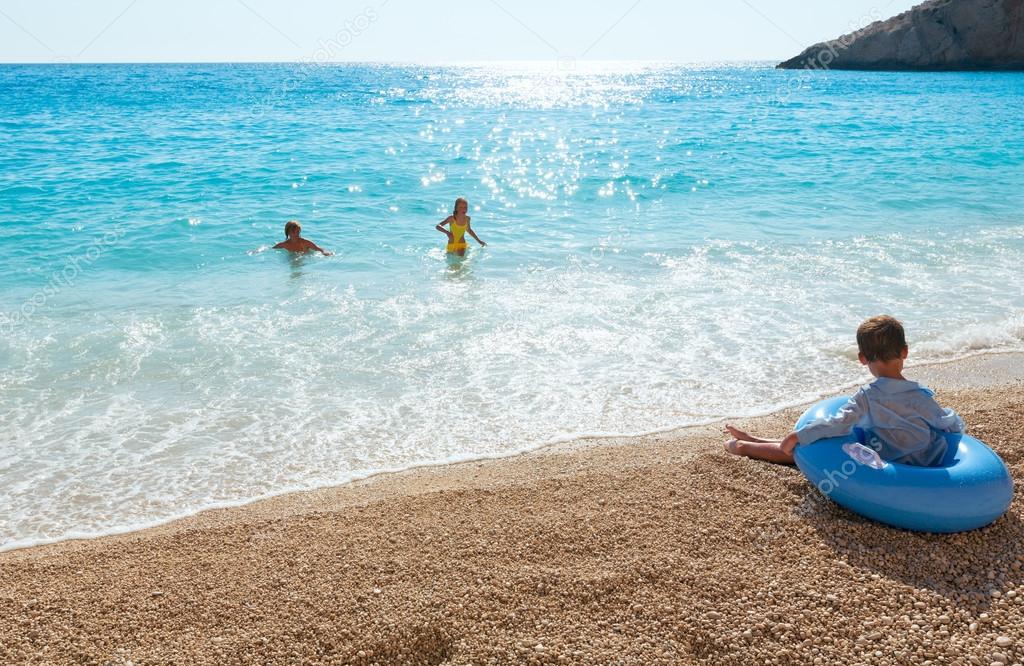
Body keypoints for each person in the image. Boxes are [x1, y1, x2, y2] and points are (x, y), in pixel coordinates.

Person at [724, 315, 963, 466]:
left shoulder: (867, 397)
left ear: (862, 358)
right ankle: (756, 440)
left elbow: (837, 424)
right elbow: (949, 424)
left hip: (884, 461)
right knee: (824, 438)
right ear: (905, 352)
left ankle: (745, 447)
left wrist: (798, 435)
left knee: (809, 447)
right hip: (925, 462)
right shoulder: (922, 397)